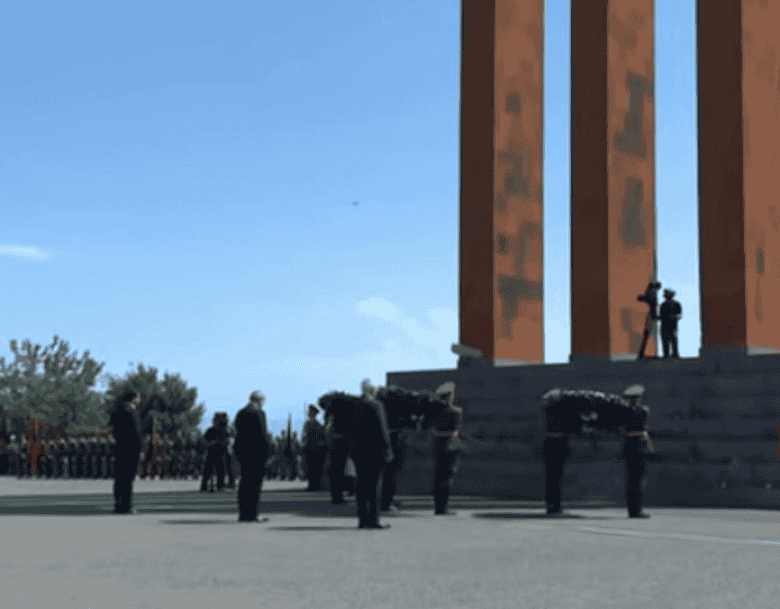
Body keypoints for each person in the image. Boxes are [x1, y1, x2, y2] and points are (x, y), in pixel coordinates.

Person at [350, 379, 394, 530]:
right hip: (375, 451)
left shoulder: (354, 406)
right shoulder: (376, 405)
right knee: (375, 486)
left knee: (361, 486)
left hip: (358, 452)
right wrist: (388, 448)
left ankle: (362, 520)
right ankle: (374, 519)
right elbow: (382, 429)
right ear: (372, 391)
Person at [427, 381, 464, 516]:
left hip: (437, 446)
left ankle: (438, 507)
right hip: (450, 447)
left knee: (438, 478)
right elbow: (455, 431)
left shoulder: (433, 412)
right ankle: (443, 508)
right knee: (447, 478)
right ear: (449, 396)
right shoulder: (456, 411)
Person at [233, 391, 271, 522]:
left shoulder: (241, 413)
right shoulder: (259, 413)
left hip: (243, 453)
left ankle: (243, 513)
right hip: (257, 453)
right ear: (260, 400)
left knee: (244, 483)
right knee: (255, 485)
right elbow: (262, 434)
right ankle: (253, 513)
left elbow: (237, 431)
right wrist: (268, 452)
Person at [621, 384, 654, 518]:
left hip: (629, 446)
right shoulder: (641, 411)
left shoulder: (625, 411)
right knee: (638, 480)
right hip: (638, 447)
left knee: (632, 480)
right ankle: (636, 510)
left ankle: (632, 509)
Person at [109, 389, 143, 514]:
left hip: (120, 448)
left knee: (119, 478)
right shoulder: (131, 412)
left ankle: (118, 504)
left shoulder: (117, 411)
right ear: (133, 398)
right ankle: (126, 505)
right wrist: (140, 449)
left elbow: (113, 431)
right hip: (131, 450)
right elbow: (136, 433)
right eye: (138, 397)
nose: (139, 400)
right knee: (128, 478)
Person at [320, 393, 354, 505]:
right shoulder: (338, 415)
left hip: (335, 444)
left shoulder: (331, 414)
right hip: (340, 443)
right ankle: (338, 496)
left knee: (336, 471)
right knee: (339, 471)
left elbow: (328, 430)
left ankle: (337, 495)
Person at [541, 393, 570, 516]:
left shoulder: (548, 410)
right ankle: (555, 505)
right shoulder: (558, 412)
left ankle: (552, 505)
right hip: (558, 443)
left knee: (552, 477)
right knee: (555, 477)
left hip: (552, 443)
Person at [200, 414, 228, 492]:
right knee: (207, 470)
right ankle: (204, 486)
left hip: (220, 453)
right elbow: (204, 440)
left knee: (221, 470)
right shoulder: (210, 430)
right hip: (211, 453)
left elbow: (227, 441)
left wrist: (220, 443)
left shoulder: (223, 431)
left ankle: (220, 486)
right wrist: (210, 444)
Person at [302, 405, 327, 491]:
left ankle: (315, 485)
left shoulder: (318, 424)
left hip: (316, 449)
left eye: (311, 412)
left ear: (314, 414)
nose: (309, 414)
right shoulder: (307, 424)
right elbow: (304, 436)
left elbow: (321, 437)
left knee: (316, 467)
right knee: (309, 467)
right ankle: (311, 485)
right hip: (309, 448)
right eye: (309, 412)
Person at [637, 281, 662, 359]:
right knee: (648, 334)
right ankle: (642, 353)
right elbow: (653, 305)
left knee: (647, 334)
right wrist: (656, 316)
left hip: (650, 315)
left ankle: (642, 353)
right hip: (651, 316)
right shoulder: (652, 293)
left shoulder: (649, 293)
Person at [659, 289, 682, 359]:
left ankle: (674, 354)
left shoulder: (676, 304)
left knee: (673, 339)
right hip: (665, 325)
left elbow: (679, 315)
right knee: (665, 340)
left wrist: (672, 317)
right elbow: (661, 315)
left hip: (672, 325)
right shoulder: (663, 304)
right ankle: (667, 354)